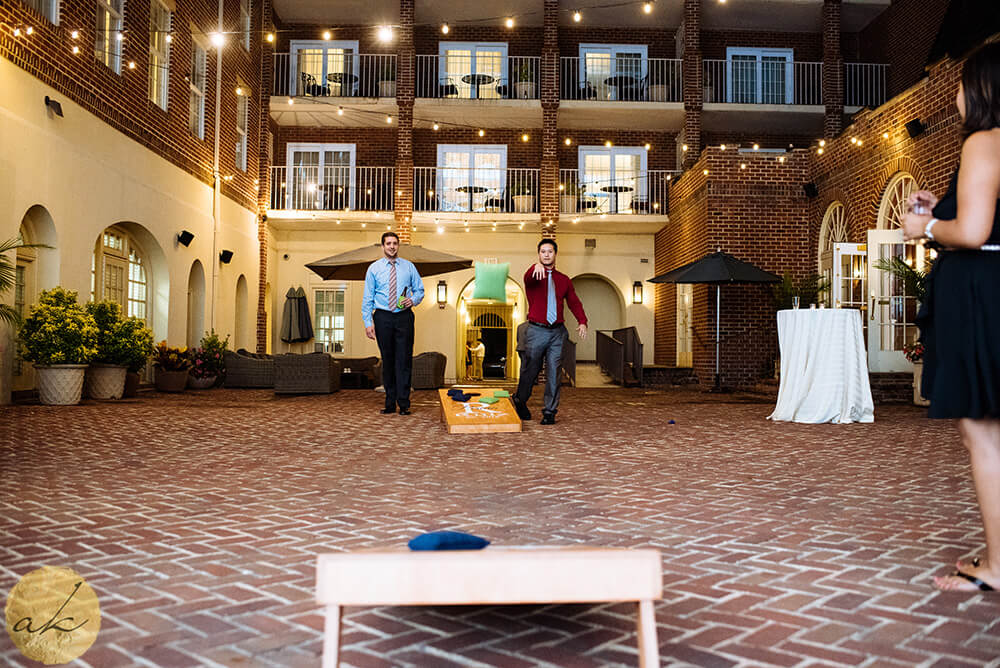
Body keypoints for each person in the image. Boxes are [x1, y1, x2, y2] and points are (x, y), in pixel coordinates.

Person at [901, 42, 1000, 592]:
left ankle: (997, 567)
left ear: (983, 87)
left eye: (961, 85)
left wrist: (928, 229)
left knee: (983, 433)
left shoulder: (985, 142)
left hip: (982, 294)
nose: (957, 97)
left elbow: (977, 233)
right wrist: (943, 203)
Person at [512, 238, 587, 425]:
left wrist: (582, 321)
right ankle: (520, 399)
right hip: (536, 331)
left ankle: (549, 412)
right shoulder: (534, 275)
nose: (546, 254)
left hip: (557, 333)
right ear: (539, 254)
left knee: (554, 372)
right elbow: (527, 278)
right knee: (531, 370)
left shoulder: (564, 280)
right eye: (543, 252)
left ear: (555, 254)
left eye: (550, 251)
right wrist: (534, 266)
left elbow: (574, 302)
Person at [362, 232, 424, 415]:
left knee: (404, 360)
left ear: (398, 246)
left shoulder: (409, 267)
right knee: (387, 360)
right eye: (388, 243)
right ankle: (390, 403)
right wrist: (368, 322)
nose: (391, 246)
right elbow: (368, 298)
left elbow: (419, 290)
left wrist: (412, 300)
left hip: (404, 316)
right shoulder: (373, 269)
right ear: (382, 246)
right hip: (382, 317)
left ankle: (404, 404)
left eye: (395, 243)